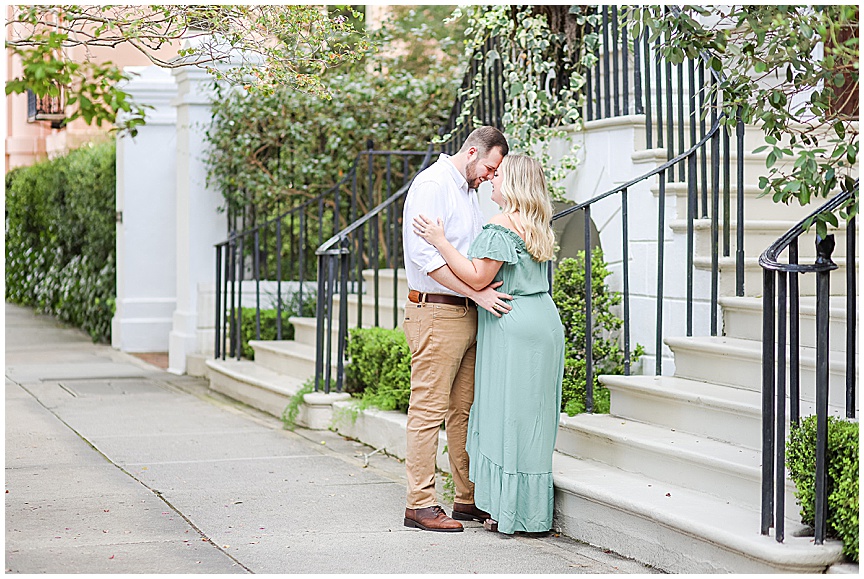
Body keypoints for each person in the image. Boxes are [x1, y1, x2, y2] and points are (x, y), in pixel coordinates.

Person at [413, 154, 565, 535]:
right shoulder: (537, 224)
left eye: (499, 176)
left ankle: (508, 510)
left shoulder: (499, 226)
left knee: (507, 420)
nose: (492, 181)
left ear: (511, 183)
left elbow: (478, 278)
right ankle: (529, 512)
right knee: (535, 420)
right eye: (491, 172)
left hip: (511, 323)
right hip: (544, 321)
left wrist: (440, 241)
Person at [401, 126, 512, 532]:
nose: (489, 176)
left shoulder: (468, 190)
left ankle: (466, 499)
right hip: (436, 311)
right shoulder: (432, 185)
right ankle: (420, 504)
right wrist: (479, 294)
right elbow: (426, 257)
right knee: (428, 410)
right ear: (470, 152)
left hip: (466, 312)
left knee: (462, 411)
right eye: (488, 167)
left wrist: (476, 297)